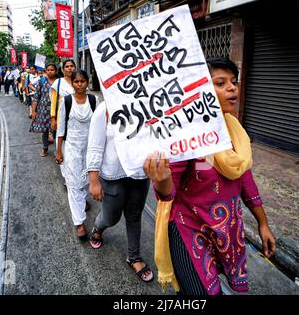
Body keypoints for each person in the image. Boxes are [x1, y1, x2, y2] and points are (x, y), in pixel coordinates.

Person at [143, 58, 276, 295]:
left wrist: (263, 223)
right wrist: (161, 179)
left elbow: (244, 177)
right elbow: (168, 191)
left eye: (234, 82)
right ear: (202, 88)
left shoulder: (234, 128)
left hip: (228, 231)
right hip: (189, 230)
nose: (232, 88)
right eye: (221, 83)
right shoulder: (187, 134)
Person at [87, 98, 154, 283]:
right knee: (111, 217)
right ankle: (98, 227)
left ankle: (134, 256)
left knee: (134, 216)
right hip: (112, 175)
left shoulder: (150, 103)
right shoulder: (104, 108)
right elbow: (95, 144)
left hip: (140, 175)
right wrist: (93, 179)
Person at [55, 70, 93, 239]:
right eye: (76, 81)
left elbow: (98, 126)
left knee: (85, 181)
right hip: (71, 149)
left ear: (87, 82)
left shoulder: (94, 100)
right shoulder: (67, 101)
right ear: (73, 83)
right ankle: (79, 223)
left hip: (89, 148)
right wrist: (58, 150)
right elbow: (61, 128)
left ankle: (82, 202)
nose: (79, 84)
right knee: (73, 184)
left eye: (82, 81)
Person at [30, 63, 57, 157]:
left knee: (56, 131)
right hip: (43, 111)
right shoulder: (41, 81)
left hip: (56, 111)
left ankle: (57, 150)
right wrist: (33, 111)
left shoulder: (59, 82)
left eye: (52, 70)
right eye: (48, 70)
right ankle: (45, 148)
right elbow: (36, 97)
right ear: (46, 71)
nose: (50, 71)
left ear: (56, 71)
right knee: (44, 131)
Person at [50, 59, 76, 145]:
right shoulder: (58, 83)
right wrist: (53, 119)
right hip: (61, 117)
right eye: (67, 67)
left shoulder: (79, 82)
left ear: (75, 68)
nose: (69, 68)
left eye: (71, 66)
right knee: (62, 139)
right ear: (63, 70)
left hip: (77, 116)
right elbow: (53, 102)